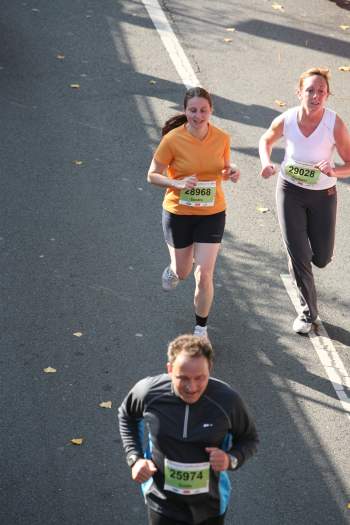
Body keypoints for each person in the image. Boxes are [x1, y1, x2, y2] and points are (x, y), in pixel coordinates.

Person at [118, 334, 258, 525]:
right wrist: (134, 458)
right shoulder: (149, 393)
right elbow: (127, 416)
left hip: (210, 507)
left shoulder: (227, 401)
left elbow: (249, 439)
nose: (191, 387)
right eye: (182, 378)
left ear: (210, 368)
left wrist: (230, 459)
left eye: (200, 378)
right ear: (169, 369)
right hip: (161, 504)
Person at [259, 67, 350, 334]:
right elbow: (266, 139)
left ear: (327, 95)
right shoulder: (287, 120)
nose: (316, 95)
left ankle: (303, 258)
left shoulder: (335, 124)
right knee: (298, 254)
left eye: (321, 91)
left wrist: (335, 171)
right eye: (310, 90)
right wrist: (266, 162)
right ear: (299, 92)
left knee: (321, 258)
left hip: (324, 196)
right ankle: (308, 313)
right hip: (290, 191)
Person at [147, 87, 240, 339]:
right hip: (179, 212)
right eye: (193, 111)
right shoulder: (172, 140)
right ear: (185, 110)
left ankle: (201, 329)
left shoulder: (221, 138)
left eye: (203, 111)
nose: (198, 116)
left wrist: (231, 172)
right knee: (184, 271)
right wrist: (175, 183)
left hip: (211, 212)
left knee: (205, 272)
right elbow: (152, 174)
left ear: (211, 111)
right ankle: (173, 271)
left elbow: (221, 169)